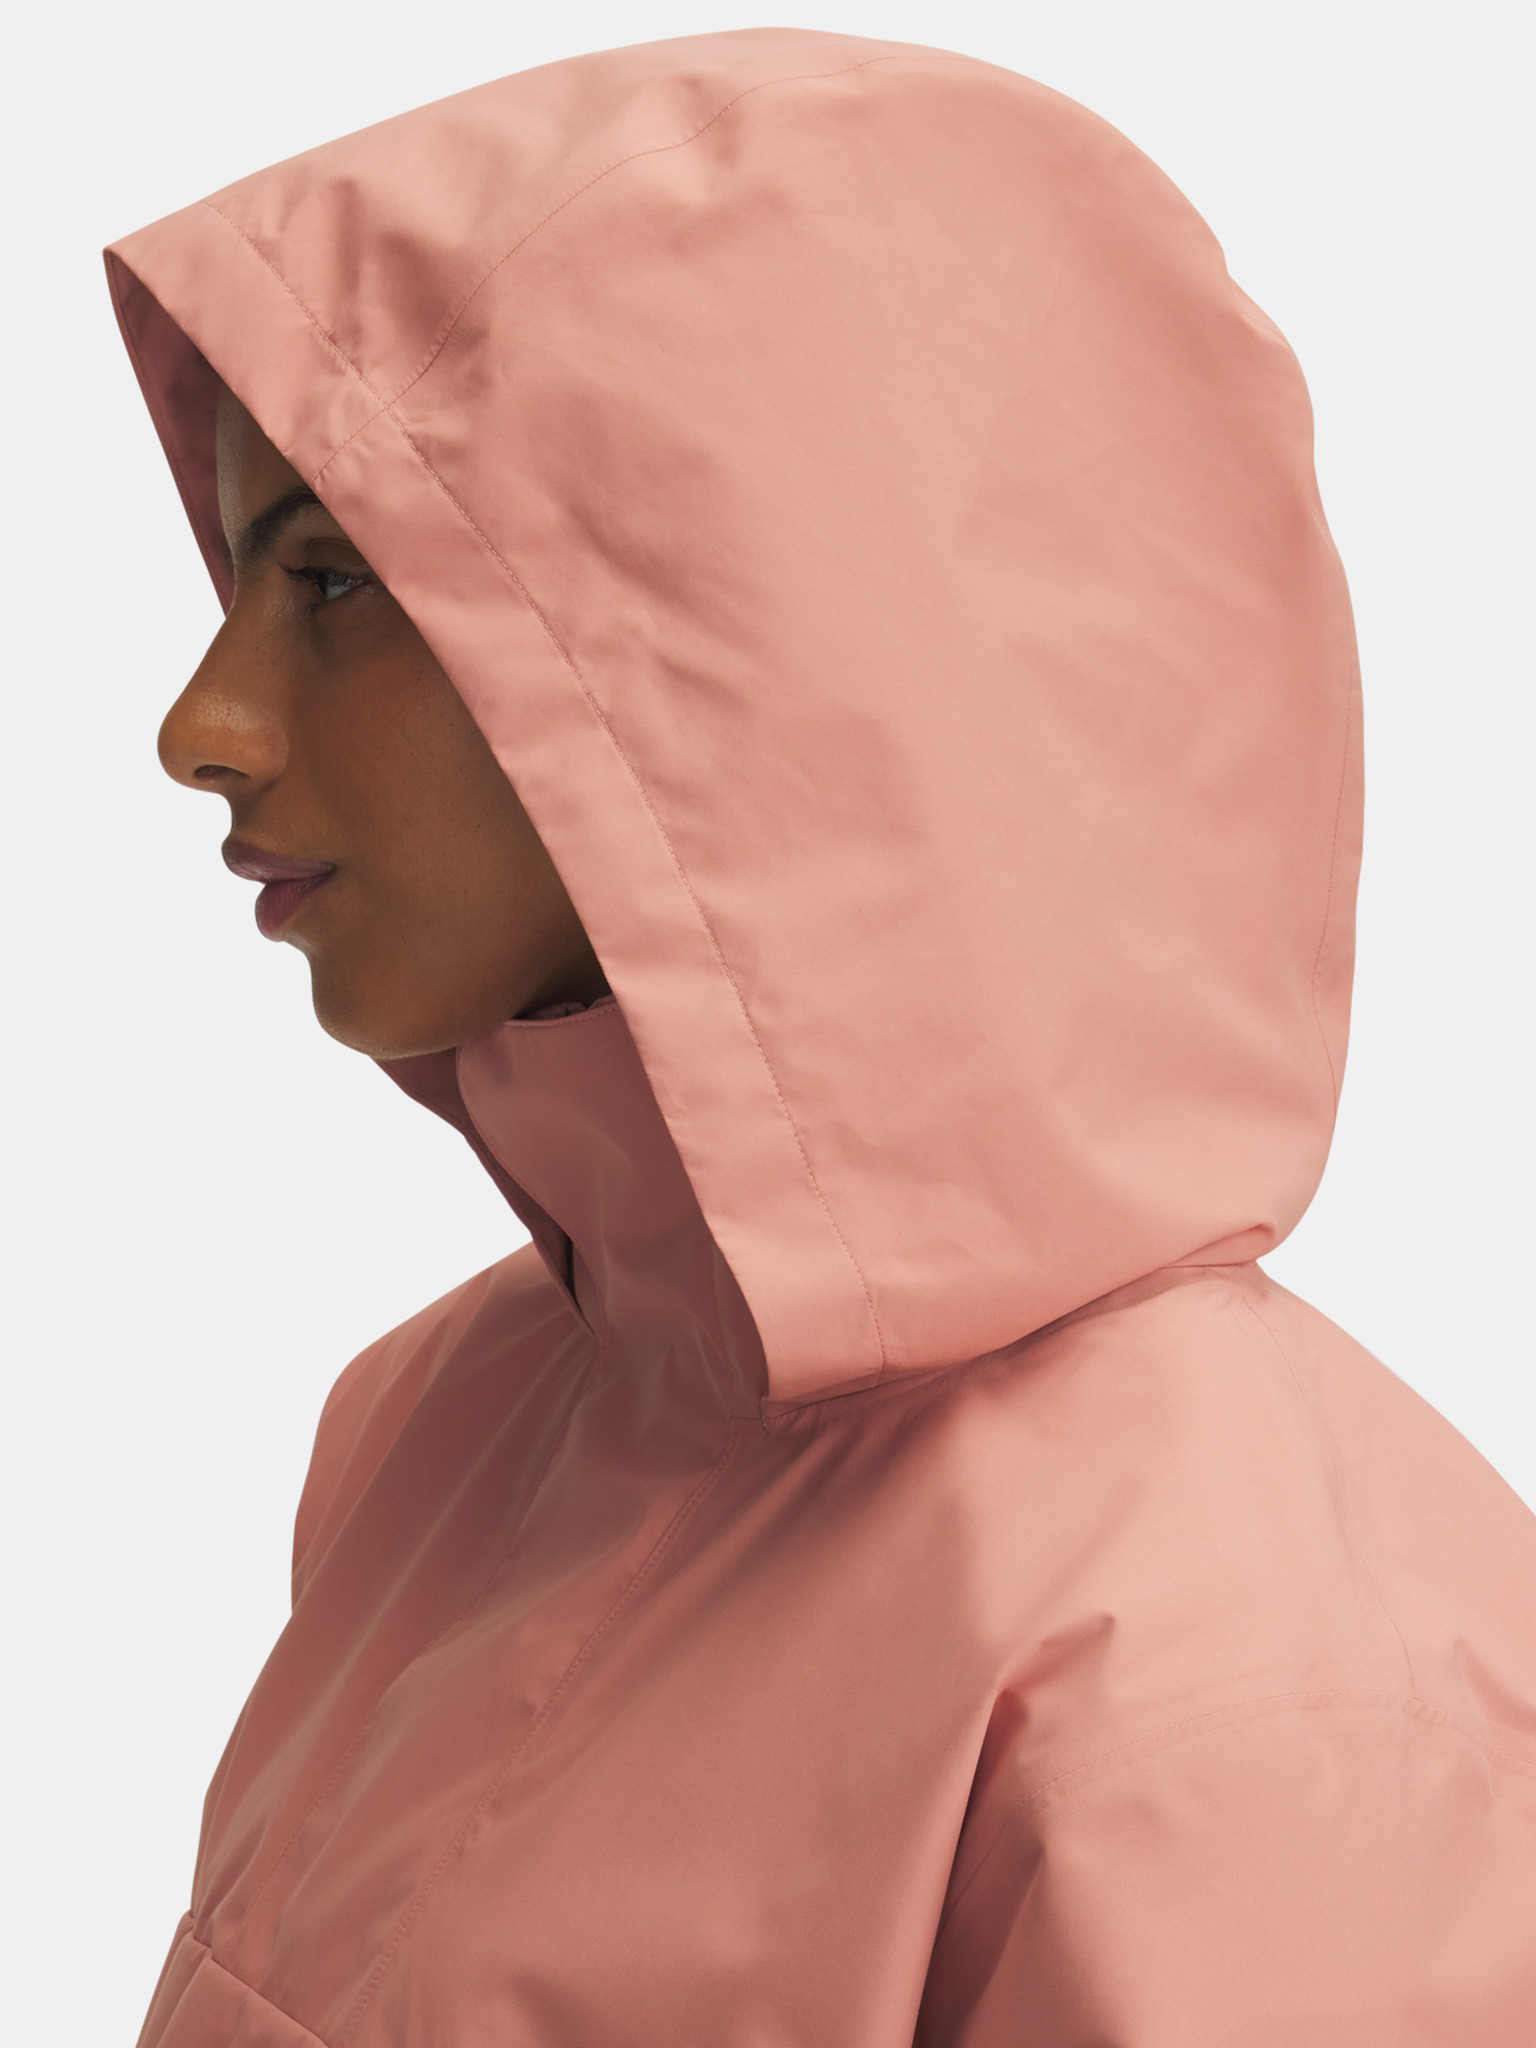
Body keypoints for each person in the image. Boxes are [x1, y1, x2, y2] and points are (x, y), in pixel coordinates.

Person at [107, 27, 1536, 2046]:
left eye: (336, 580)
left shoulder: (1237, 1696)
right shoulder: (440, 1420)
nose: (204, 726)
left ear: (751, 648)